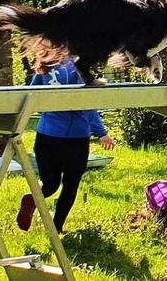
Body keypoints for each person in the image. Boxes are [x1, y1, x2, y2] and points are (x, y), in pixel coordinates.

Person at [16, 58, 115, 234]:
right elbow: (85, 104)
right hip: (75, 139)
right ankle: (57, 227)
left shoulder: (44, 63)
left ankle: (32, 199)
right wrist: (102, 133)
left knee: (49, 184)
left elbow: (32, 94)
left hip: (46, 136)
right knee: (70, 185)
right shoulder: (79, 66)